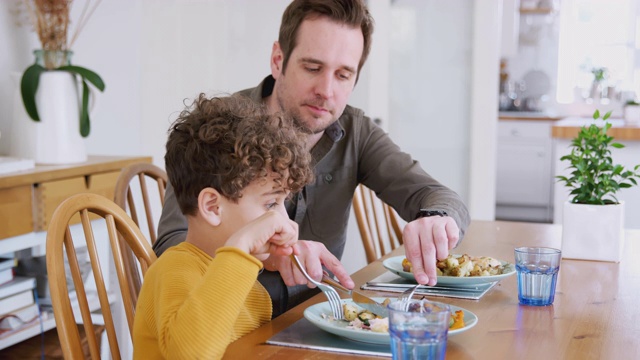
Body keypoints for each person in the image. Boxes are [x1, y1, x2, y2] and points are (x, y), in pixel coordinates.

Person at [154, 0, 471, 318]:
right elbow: (173, 244)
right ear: (278, 60)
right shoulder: (218, 129)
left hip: (320, 324)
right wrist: (269, 254)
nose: (327, 90)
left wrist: (437, 220)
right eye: (312, 68)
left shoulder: (356, 131)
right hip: (229, 327)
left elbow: (439, 197)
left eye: (344, 75)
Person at [133, 95, 314, 359]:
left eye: (283, 203)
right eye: (271, 204)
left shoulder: (243, 277)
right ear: (213, 207)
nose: (284, 222)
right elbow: (192, 355)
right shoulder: (174, 271)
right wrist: (240, 248)